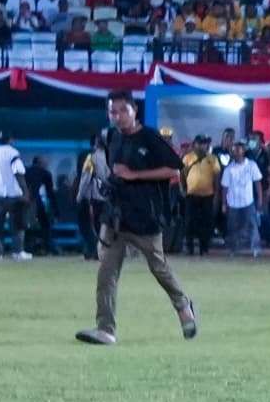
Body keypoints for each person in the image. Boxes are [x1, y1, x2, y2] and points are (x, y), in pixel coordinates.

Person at [79, 93, 199, 344]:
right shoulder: (111, 137)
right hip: (115, 216)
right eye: (112, 111)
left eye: (123, 110)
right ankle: (105, 329)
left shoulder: (150, 137)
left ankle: (183, 306)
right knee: (106, 273)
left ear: (135, 110)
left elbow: (173, 169)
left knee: (159, 267)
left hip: (145, 216)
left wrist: (135, 175)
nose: (118, 116)